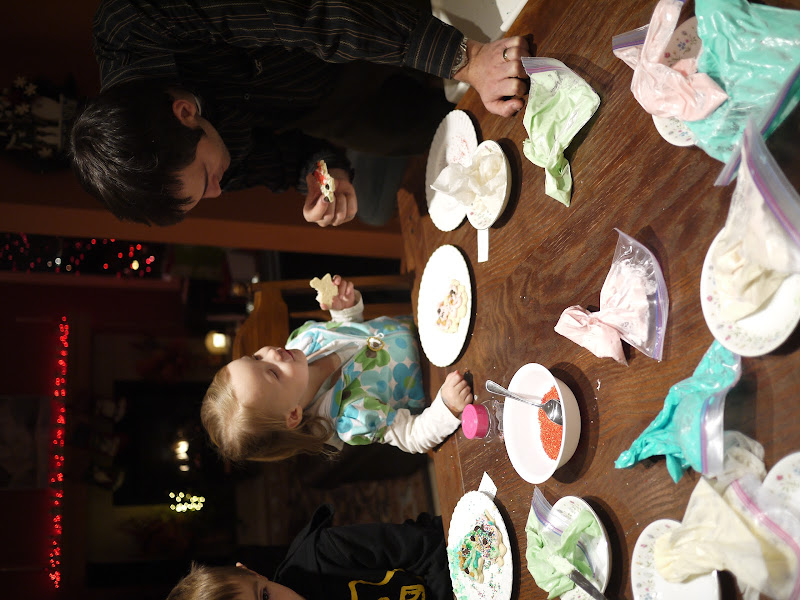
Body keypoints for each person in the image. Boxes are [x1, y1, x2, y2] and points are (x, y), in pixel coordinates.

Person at [70, 0, 532, 228]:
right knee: (476, 134)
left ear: (185, 112)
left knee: (514, 48)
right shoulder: (182, 165)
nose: (218, 191)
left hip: (356, 13)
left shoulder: (140, 20)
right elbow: (284, 159)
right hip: (324, 105)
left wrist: (467, 58)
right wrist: (323, 173)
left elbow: (312, 15)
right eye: (204, 194)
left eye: (207, 178)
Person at [201, 275, 473, 462]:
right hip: (443, 375)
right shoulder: (351, 418)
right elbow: (413, 436)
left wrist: (346, 310)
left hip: (437, 328)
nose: (272, 354)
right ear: (293, 414)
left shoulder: (304, 340)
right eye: (272, 373)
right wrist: (447, 408)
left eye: (256, 357)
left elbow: (352, 329)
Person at [166, 504, 451, 600]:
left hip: (454, 546)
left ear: (251, 572)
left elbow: (427, 547)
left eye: (264, 596)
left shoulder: (324, 552)